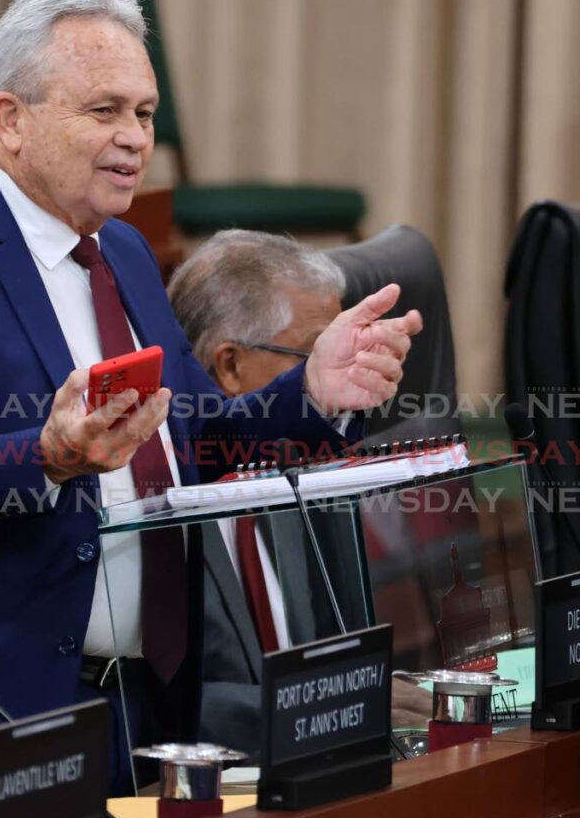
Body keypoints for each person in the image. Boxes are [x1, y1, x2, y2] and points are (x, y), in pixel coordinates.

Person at [0, 0, 422, 818]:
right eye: (104, 111)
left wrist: (311, 393)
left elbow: (189, 444)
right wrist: (47, 456)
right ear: (12, 118)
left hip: (133, 717)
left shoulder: (127, 252)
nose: (135, 139)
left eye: (143, 111)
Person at [167, 230, 432, 753]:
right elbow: (148, 707)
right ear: (230, 367)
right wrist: (324, 706)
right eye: (312, 354)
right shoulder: (159, 496)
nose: (335, 374)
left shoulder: (303, 465)